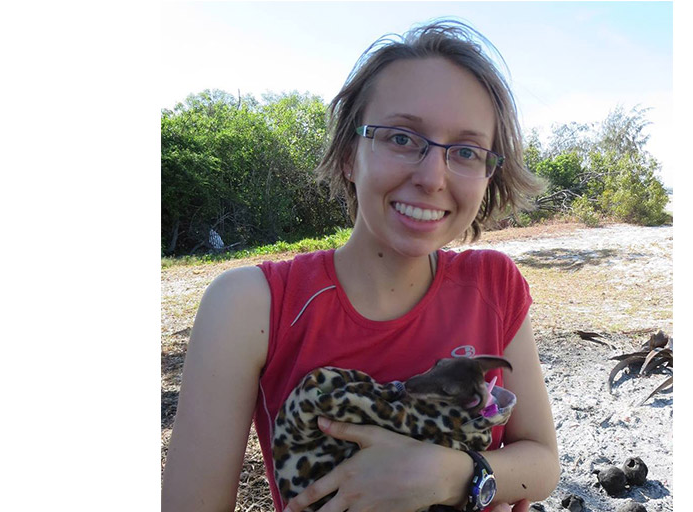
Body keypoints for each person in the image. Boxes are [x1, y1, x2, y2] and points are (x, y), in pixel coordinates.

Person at [162, 20, 560, 512]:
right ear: (350, 154)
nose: (432, 177)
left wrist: (453, 475)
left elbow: (542, 460)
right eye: (400, 138)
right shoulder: (249, 305)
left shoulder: (494, 284)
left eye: (465, 151)